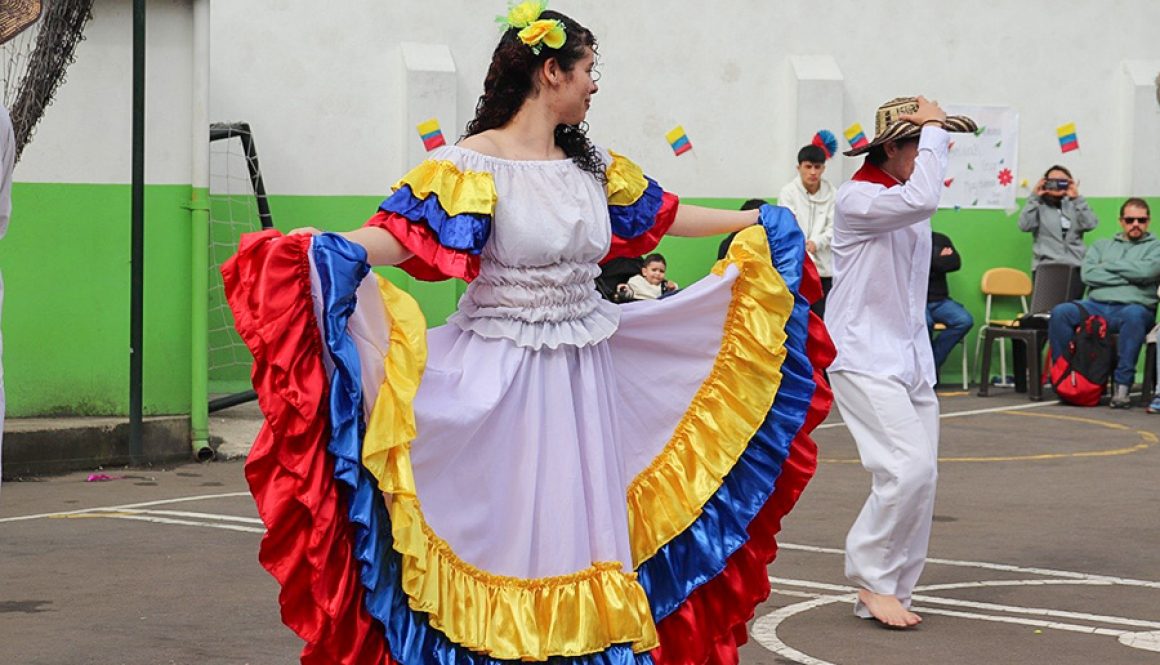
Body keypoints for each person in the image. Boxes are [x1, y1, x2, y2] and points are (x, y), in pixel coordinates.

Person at [222, 5, 831, 663]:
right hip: (504, 379)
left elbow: (668, 213)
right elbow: (400, 237)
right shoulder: (470, 166)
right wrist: (324, 250)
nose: (595, 84)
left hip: (589, 373)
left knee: (582, 534)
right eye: (588, 69)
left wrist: (753, 219)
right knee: (514, 537)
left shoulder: (592, 167)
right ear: (550, 71)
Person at [827, 95, 977, 628]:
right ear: (893, 147)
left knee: (924, 476)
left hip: (909, 358)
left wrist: (932, 131)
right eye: (926, 143)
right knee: (904, 468)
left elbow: (921, 199)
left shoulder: (904, 198)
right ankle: (870, 576)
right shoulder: (858, 198)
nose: (936, 153)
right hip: (864, 355)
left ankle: (895, 588)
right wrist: (934, 127)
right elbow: (923, 199)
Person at [1048, 198, 1160, 408]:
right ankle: (1064, 377)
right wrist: (1132, 274)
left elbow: (1149, 271)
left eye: (1141, 220)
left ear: (1148, 221)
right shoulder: (1102, 245)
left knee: (1134, 316)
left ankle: (1122, 388)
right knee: (1061, 312)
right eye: (1130, 219)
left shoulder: (1156, 247)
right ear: (1121, 221)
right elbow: (1089, 275)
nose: (1135, 224)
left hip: (1133, 308)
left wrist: (1108, 266)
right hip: (1096, 305)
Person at [1018, 165, 1099, 299]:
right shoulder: (1039, 206)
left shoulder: (1076, 205)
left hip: (1074, 267)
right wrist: (1034, 197)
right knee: (1045, 311)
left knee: (1070, 311)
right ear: (1045, 183)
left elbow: (1091, 224)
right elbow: (1024, 226)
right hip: (1046, 267)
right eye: (1052, 181)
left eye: (1062, 182)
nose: (1057, 185)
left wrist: (1077, 198)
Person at [778, 144, 836, 317]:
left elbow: (836, 227)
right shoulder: (788, 193)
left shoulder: (834, 194)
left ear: (823, 168)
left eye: (817, 167)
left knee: (823, 318)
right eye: (808, 166)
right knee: (797, 318)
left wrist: (817, 243)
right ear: (799, 167)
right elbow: (787, 226)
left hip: (825, 271)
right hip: (797, 268)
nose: (813, 172)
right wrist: (802, 245)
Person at [926, 231, 973, 382]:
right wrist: (937, 259)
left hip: (940, 301)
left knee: (964, 320)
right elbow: (909, 266)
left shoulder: (940, 238)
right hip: (916, 302)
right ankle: (925, 372)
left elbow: (954, 263)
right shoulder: (905, 240)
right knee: (924, 324)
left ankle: (931, 364)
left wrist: (929, 262)